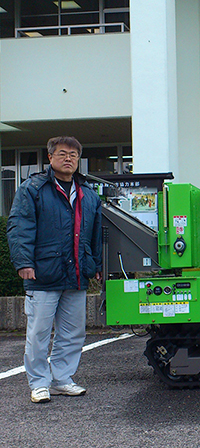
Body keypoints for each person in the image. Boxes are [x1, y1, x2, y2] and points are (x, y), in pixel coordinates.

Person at [7, 136, 102, 403]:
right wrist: (24, 263)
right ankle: (39, 382)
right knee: (38, 332)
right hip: (43, 273)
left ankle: (62, 379)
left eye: (73, 154)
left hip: (76, 274)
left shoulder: (88, 194)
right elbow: (19, 227)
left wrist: (94, 265)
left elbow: (95, 234)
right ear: (50, 157)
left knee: (73, 332)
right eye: (62, 153)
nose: (68, 158)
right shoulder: (33, 188)